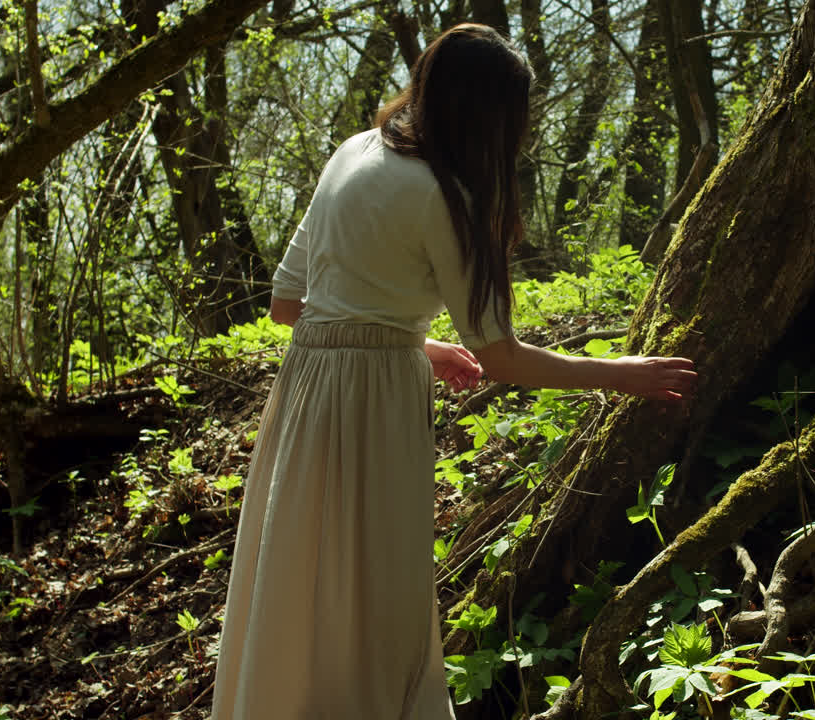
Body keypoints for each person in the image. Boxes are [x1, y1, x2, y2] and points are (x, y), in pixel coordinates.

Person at [209, 23, 697, 720]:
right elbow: (500, 356)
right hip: (373, 407)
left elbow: (289, 304)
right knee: (375, 592)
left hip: (306, 393)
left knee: (297, 580)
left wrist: (412, 338)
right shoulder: (448, 198)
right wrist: (619, 372)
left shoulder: (352, 153)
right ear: (491, 119)